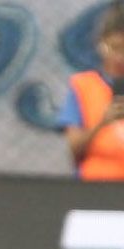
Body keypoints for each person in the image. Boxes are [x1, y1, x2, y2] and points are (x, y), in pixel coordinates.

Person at [57, 1, 124, 181]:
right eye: (115, 48)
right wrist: (103, 123)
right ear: (101, 45)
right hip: (94, 185)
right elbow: (75, 150)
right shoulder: (83, 85)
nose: (120, 57)